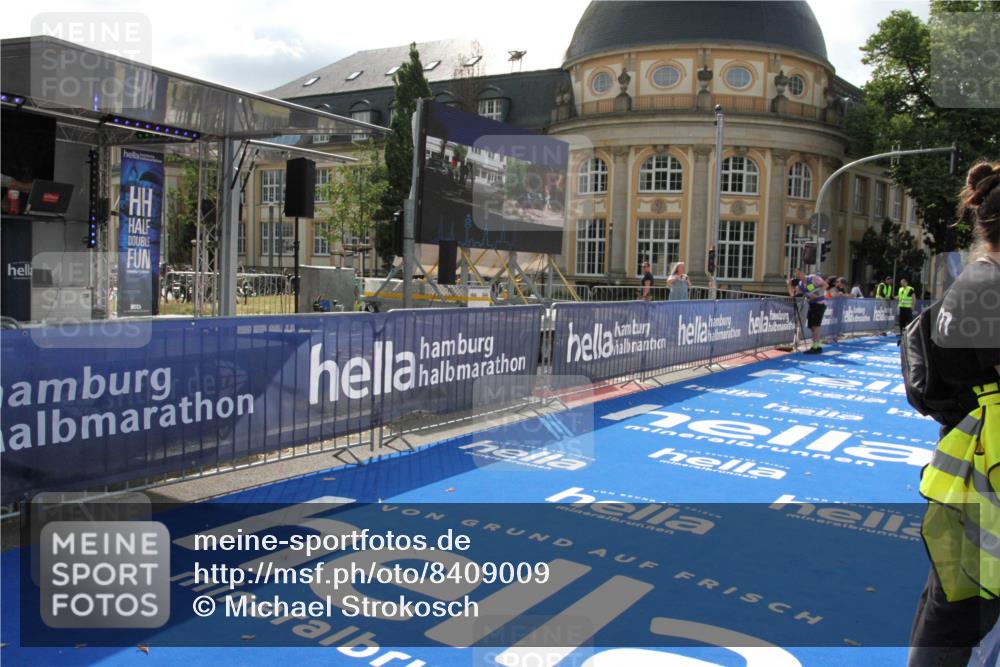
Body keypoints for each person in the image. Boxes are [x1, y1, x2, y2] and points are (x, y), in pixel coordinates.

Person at [908, 161, 1000, 667]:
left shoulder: (976, 281)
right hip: (983, 474)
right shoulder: (988, 290)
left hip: (971, 469)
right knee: (957, 612)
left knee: (951, 604)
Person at [788, 268, 827, 354]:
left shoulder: (813, 278)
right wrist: (789, 285)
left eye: (799, 273)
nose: (798, 276)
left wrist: (816, 294)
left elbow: (825, 285)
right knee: (812, 326)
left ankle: (815, 347)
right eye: (796, 275)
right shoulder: (800, 284)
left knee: (815, 325)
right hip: (812, 305)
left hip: (819, 303)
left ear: (803, 272)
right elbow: (792, 294)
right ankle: (817, 346)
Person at [895, 277, 915, 342]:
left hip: (908, 308)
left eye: (903, 283)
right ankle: (902, 334)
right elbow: (900, 297)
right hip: (901, 308)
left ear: (906, 283)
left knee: (909, 321)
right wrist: (895, 297)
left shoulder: (910, 289)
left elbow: (914, 298)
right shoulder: (900, 289)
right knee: (901, 322)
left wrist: (913, 306)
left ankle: (910, 333)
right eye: (901, 283)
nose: (902, 284)